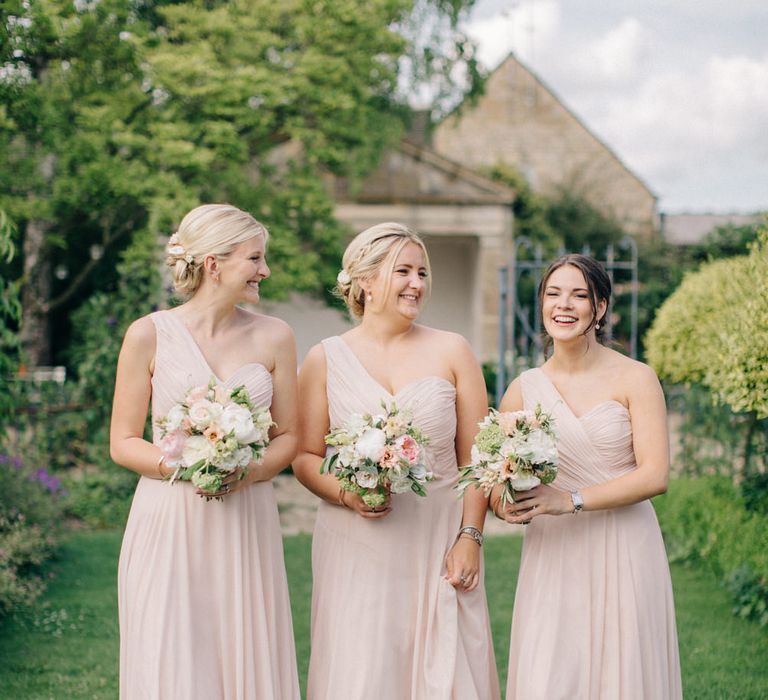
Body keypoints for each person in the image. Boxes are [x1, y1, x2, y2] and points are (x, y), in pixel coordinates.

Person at [293, 222, 500, 699]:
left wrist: (471, 537)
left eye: (422, 272)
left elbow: (478, 459)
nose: (418, 284)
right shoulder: (324, 358)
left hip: (439, 534)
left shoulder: (453, 350)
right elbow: (305, 456)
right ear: (365, 280)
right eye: (403, 271)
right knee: (363, 665)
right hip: (356, 540)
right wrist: (347, 494)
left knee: (446, 667)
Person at [110, 204, 301, 699]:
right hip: (169, 518)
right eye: (255, 259)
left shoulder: (275, 336)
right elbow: (123, 441)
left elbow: (290, 438)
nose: (265, 270)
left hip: (245, 519)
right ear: (214, 264)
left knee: (239, 654)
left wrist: (251, 470)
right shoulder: (147, 334)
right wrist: (186, 465)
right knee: (170, 655)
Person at [495, 254, 682, 699]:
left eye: (579, 295)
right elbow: (498, 486)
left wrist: (569, 499)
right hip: (554, 552)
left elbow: (655, 474)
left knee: (623, 670)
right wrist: (507, 504)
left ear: (599, 309)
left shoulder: (636, 378)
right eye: (553, 294)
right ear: (541, 304)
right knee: (552, 671)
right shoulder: (522, 389)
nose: (564, 305)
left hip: (625, 543)